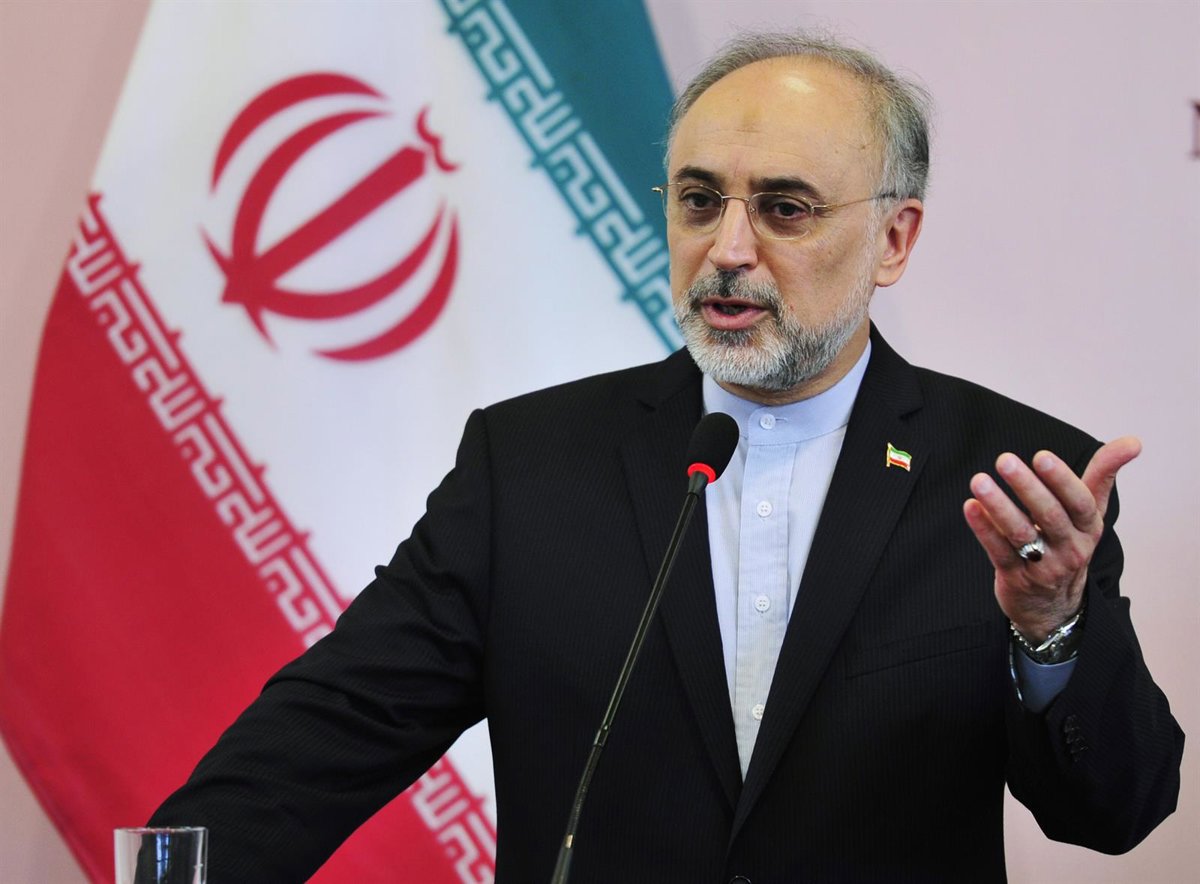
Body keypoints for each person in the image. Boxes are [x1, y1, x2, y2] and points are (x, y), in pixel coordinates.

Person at [149, 31, 1183, 882]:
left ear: (894, 240)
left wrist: (1052, 627)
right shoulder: (530, 466)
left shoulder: (1020, 485)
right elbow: (331, 729)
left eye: (784, 208)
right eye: (698, 201)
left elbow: (1117, 811)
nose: (726, 249)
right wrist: (168, 868)